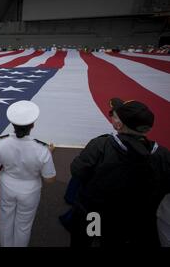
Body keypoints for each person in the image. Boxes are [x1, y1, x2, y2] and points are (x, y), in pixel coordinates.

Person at [69, 98, 170, 247]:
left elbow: (77, 170)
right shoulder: (162, 155)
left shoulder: (101, 146)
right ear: (147, 129)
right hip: (134, 217)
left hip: (96, 214)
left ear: (118, 125)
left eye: (114, 116)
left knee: (86, 240)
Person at [0, 101, 56, 247]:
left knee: (5, 220)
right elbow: (50, 179)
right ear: (32, 125)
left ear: (13, 124)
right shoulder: (42, 149)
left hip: (7, 186)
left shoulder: (1, 142)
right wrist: (49, 155)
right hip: (30, 190)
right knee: (24, 226)